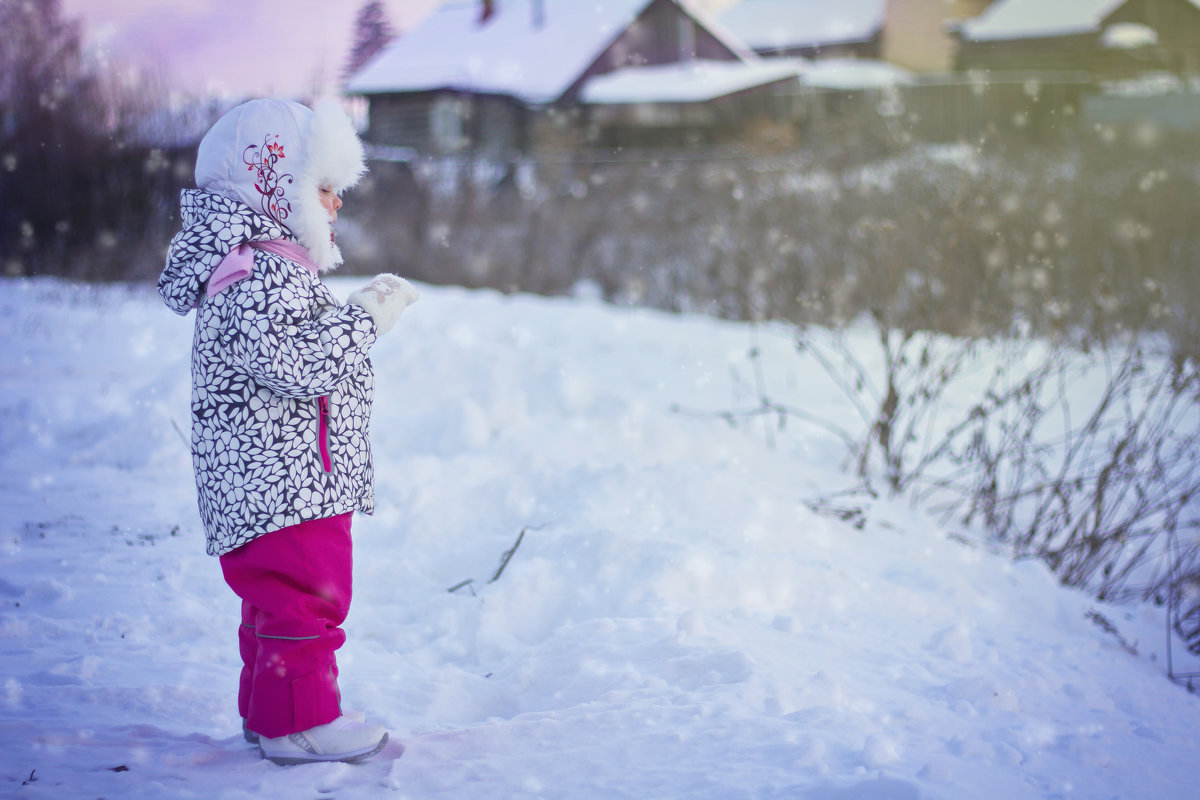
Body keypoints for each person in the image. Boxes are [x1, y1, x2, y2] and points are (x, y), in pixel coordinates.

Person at [158, 98, 417, 765]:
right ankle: (300, 722)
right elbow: (294, 365)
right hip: (284, 483)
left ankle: (271, 712)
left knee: (276, 605)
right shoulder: (257, 271)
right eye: (321, 188)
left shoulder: (259, 262)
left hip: (281, 477)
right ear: (272, 186)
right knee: (305, 599)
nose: (334, 204)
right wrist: (365, 320)